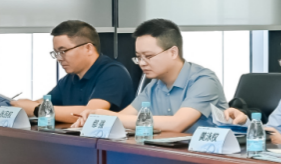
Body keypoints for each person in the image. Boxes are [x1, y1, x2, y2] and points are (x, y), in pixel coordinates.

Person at [85, 18, 226, 134]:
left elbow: (177, 124)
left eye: (148, 56)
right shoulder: (153, 86)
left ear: (173, 52)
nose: (142, 63)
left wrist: (112, 117)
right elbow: (124, 116)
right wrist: (95, 117)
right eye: (138, 57)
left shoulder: (204, 80)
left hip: (211, 156)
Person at [10, 20, 134, 125]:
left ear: (88, 48)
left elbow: (90, 114)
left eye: (63, 51)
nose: (59, 58)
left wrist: (37, 109)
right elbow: (43, 103)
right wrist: (16, 105)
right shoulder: (69, 79)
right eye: (56, 53)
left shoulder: (114, 72)